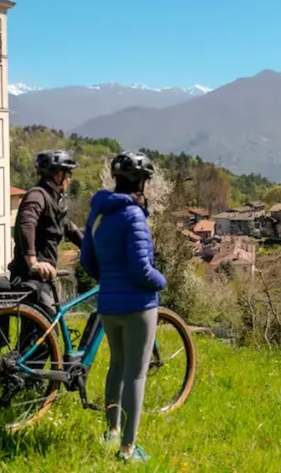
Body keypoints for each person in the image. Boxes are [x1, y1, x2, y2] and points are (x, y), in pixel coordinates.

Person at [80, 151, 165, 465]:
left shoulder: (98, 213)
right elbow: (143, 270)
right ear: (141, 183)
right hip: (137, 304)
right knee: (136, 375)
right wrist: (162, 281)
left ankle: (111, 431)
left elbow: (88, 259)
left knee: (115, 367)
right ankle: (129, 450)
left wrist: (110, 280)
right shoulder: (134, 216)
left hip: (108, 305)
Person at [9, 150, 84, 367]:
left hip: (43, 276)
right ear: (58, 175)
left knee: (36, 330)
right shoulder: (38, 195)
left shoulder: (53, 200)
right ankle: (31, 379)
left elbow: (67, 228)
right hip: (31, 275)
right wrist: (33, 261)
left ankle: (26, 378)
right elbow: (26, 224)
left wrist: (93, 249)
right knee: (47, 327)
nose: (69, 179)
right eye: (67, 174)